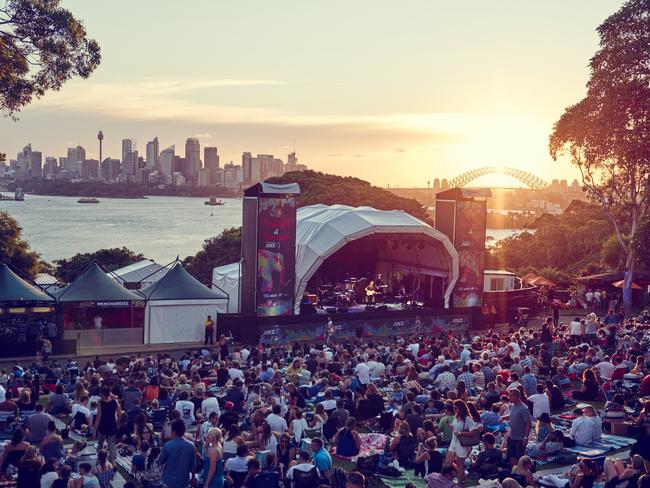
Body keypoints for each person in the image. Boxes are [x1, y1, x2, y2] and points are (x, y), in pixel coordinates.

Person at [446, 400, 481, 483]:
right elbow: (454, 429)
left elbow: (474, 432)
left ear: (461, 408)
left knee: (460, 465)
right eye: (453, 408)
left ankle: (459, 483)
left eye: (455, 408)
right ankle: (453, 479)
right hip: (453, 442)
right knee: (448, 463)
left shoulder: (467, 418)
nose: (454, 409)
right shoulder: (456, 416)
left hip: (462, 444)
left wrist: (461, 433)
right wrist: (448, 425)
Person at [156, 418, 196, 488]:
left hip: (168, 482)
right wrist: (192, 478)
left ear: (173, 432)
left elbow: (159, 462)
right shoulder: (191, 446)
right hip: (183, 482)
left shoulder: (168, 445)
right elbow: (193, 466)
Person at [505, 389, 531, 467]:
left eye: (510, 396)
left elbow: (528, 423)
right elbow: (512, 416)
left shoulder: (524, 408)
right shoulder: (512, 406)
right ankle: (514, 472)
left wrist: (526, 437)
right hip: (511, 436)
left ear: (516, 396)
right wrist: (503, 417)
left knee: (519, 458)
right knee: (511, 456)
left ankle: (520, 472)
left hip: (520, 438)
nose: (509, 397)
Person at [95, 386, 121, 464]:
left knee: (100, 444)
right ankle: (113, 463)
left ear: (103, 394)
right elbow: (120, 414)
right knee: (111, 445)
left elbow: (98, 417)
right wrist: (117, 423)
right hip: (112, 426)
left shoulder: (100, 403)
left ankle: (99, 460)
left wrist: (94, 429)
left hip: (102, 426)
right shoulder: (114, 402)